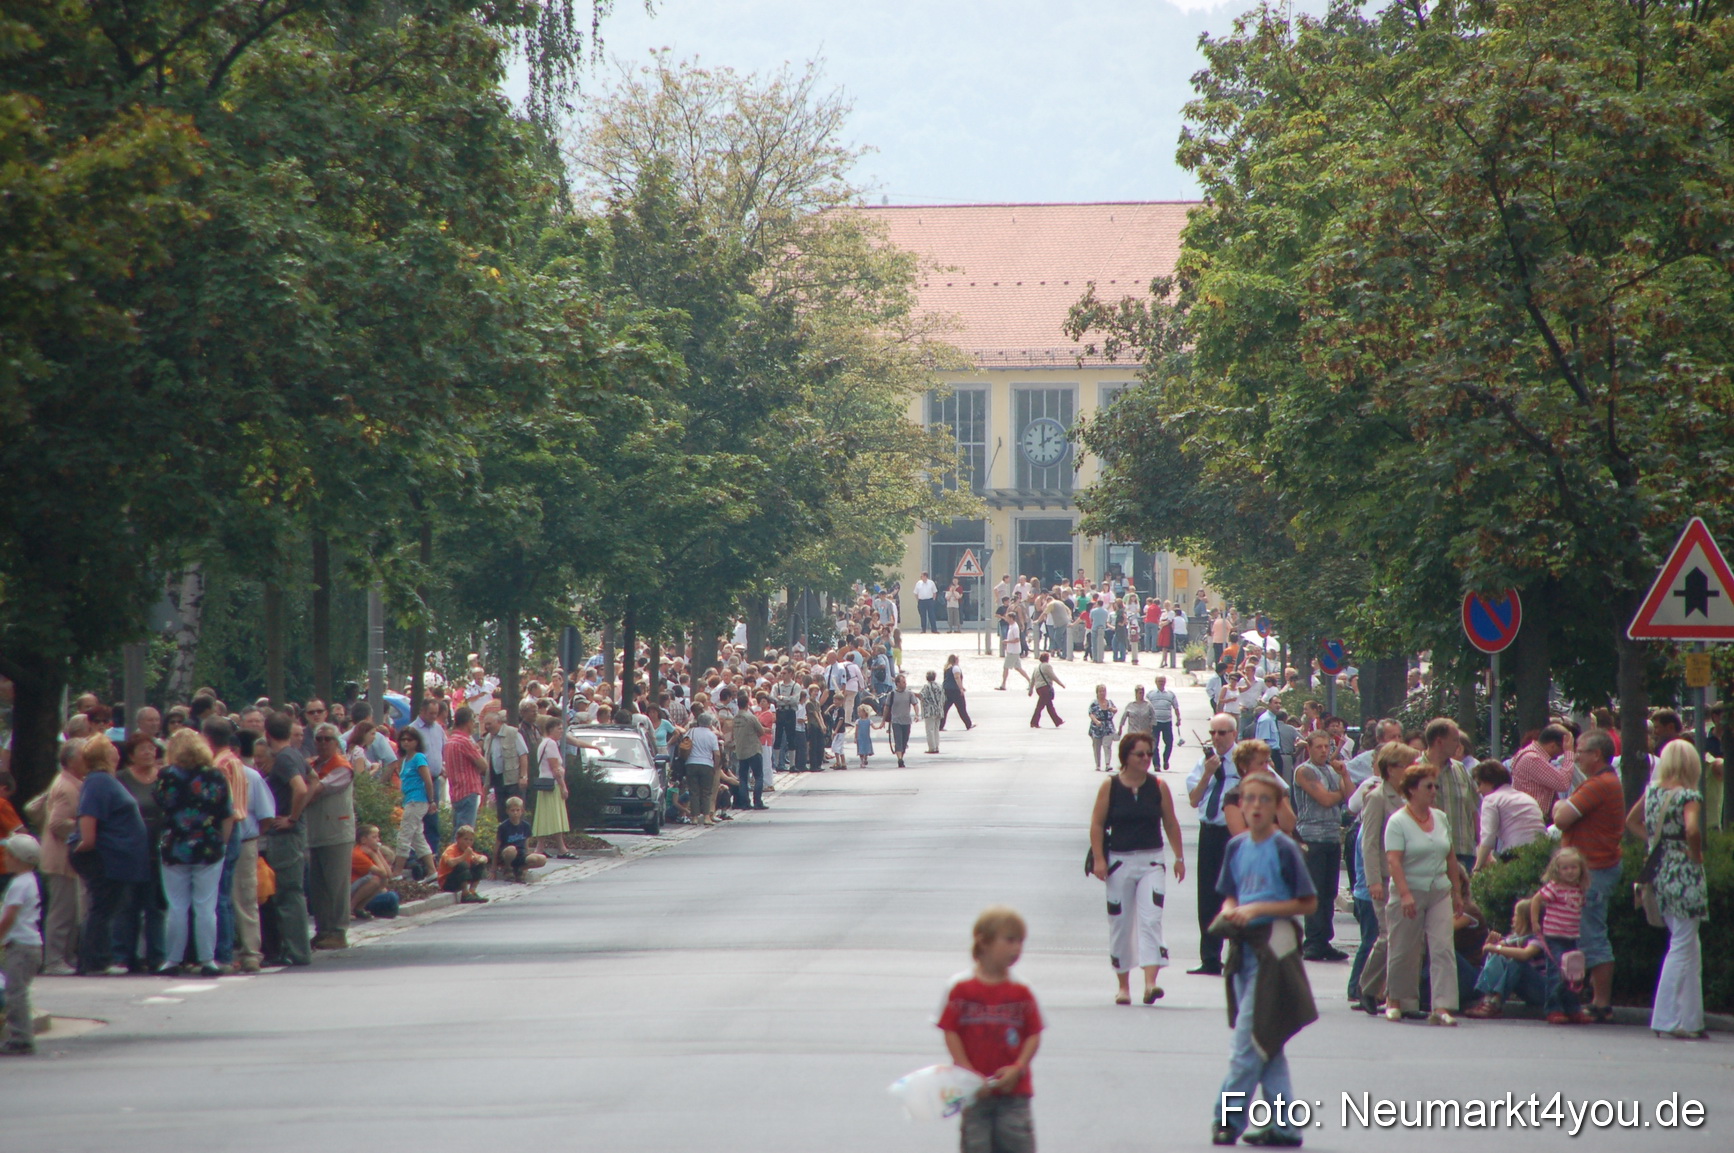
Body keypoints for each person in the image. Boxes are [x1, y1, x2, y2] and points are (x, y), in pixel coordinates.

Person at [1210, 772, 1317, 1148]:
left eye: (1264, 800)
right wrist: (1230, 912)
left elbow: (1308, 902)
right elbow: (1230, 894)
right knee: (1267, 1041)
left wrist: (1258, 909)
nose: (1255, 806)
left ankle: (1227, 1118)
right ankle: (1285, 1127)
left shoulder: (1284, 848)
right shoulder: (1236, 847)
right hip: (1242, 946)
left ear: (1275, 808)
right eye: (1249, 799)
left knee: (1249, 1040)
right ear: (1241, 804)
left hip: (1275, 946)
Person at [1090, 733, 1185, 1005]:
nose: (1145, 759)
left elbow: (1170, 822)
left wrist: (1179, 856)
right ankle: (1123, 985)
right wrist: (1099, 858)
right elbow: (1097, 824)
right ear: (1126, 757)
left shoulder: (1158, 785)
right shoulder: (1110, 786)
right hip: (1119, 861)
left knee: (1151, 918)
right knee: (1120, 922)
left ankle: (1150, 982)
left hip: (1151, 861)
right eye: (1139, 754)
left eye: (1148, 753)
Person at [939, 906, 1042, 1153]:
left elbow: (1034, 1033)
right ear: (983, 942)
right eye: (1009, 940)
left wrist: (1018, 1068)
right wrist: (965, 1069)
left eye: (1020, 941)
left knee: (1017, 1143)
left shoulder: (1022, 991)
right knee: (976, 1145)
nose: (1017, 948)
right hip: (975, 1094)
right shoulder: (961, 989)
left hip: (1014, 1092)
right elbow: (950, 1030)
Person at [1627, 740, 1708, 1039]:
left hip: (1659, 869)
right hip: (1684, 873)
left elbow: (1631, 821)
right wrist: (1695, 853)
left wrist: (1655, 840)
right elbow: (1692, 830)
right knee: (1683, 944)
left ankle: (1691, 1018)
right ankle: (1666, 1018)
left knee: (1688, 944)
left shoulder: (1652, 792)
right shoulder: (1689, 795)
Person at [1383, 763, 1468, 1026]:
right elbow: (1394, 861)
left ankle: (1442, 1005)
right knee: (1404, 948)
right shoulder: (1398, 821)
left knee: (1443, 947)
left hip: (1438, 890)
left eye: (1435, 786)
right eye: (1428, 786)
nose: (1434, 791)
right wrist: (1405, 894)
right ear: (1411, 790)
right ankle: (1395, 1000)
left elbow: (1450, 856)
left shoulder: (1440, 817)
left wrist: (1457, 891)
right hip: (1409, 891)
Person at [1550, 728, 1624, 1022]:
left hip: (1593, 871)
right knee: (1586, 935)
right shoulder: (1603, 782)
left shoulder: (1598, 785)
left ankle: (1601, 1002)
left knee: (1592, 936)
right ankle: (1591, 997)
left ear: (1596, 755)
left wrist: (1559, 806)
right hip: (1594, 868)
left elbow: (1560, 818)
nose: (1576, 755)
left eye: (1580, 751)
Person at [155, 729, 233, 976]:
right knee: (205, 905)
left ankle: (173, 959)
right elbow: (227, 813)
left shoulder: (167, 776)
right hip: (208, 844)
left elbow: (161, 804)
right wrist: (223, 841)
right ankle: (207, 959)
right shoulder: (215, 776)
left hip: (175, 844)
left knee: (176, 905)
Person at [1351, 742, 1419, 1013]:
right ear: (1391, 769)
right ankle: (1367, 987)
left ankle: (1394, 994)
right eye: (1406, 765)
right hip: (1384, 875)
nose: (1411, 769)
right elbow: (1368, 842)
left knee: (1404, 938)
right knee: (1387, 935)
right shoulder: (1378, 797)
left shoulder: (1409, 796)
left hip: (1408, 875)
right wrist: (1373, 881)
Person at [72, 734, 149, 976]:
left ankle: (97, 958)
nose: (117, 753)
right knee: (101, 908)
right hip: (106, 857)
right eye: (111, 750)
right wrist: (87, 842)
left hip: (117, 857)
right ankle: (94, 960)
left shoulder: (104, 780)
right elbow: (89, 815)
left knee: (105, 908)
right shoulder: (98, 781)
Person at [1185, 715, 1242, 976]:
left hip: (1235, 835)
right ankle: (1209, 957)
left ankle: (1239, 955)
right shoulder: (1203, 763)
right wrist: (1208, 772)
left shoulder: (1244, 761)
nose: (1217, 738)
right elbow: (1194, 799)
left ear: (1233, 733)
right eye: (1213, 733)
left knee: (1236, 894)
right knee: (1208, 896)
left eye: (1222, 733)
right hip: (1210, 833)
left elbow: (1276, 786)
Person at [1292, 731, 1348, 961]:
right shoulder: (1305, 771)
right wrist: (1341, 793)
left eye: (1327, 746)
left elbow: (1350, 796)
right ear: (1310, 748)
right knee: (1314, 890)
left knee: (1329, 892)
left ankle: (1325, 939)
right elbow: (1324, 799)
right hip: (1312, 837)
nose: (1324, 751)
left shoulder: (1331, 771)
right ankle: (1313, 941)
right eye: (1319, 747)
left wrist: (1343, 781)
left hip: (1332, 837)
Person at [305, 723, 355, 951]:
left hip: (337, 833)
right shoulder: (315, 765)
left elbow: (316, 790)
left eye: (328, 739)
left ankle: (338, 931)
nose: (323, 743)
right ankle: (323, 930)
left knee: (336, 886)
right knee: (319, 887)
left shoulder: (342, 767)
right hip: (317, 833)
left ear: (337, 742)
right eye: (319, 739)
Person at [1530, 846, 1591, 1024]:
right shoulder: (1554, 887)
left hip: (1572, 937)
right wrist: (1535, 922)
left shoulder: (1579, 889)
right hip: (1554, 937)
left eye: (1574, 867)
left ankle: (1572, 1008)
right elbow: (1536, 899)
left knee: (1573, 974)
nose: (1570, 872)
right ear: (1557, 870)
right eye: (1565, 868)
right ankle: (1553, 1008)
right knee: (1557, 973)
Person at [1466, 897, 1547, 1018]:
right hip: (1526, 990)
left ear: (1526, 919)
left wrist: (1496, 948)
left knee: (1518, 961)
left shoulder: (1539, 938)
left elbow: (1525, 954)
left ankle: (1495, 1003)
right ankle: (1488, 999)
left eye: (1516, 915)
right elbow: (1497, 949)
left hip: (1542, 991)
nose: (1513, 919)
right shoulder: (1516, 938)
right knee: (1499, 956)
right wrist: (1492, 944)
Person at [0, 833, 43, 1055]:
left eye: (8, 855)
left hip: (20, 946)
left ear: (19, 858)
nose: (5, 858)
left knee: (15, 993)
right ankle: (19, 1035)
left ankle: (21, 1039)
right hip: (30, 945)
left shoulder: (18, 884)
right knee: (18, 990)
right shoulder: (30, 880)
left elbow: (9, 916)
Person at [1471, 760, 1544, 871]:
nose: (1478, 790)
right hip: (1541, 852)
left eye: (1479, 784)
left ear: (1489, 782)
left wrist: (1477, 867)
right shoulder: (1527, 798)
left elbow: (1488, 838)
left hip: (1515, 854)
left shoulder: (1491, 799)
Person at [393, 726, 438, 881]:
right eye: (403, 740)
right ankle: (432, 871)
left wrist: (431, 800)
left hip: (417, 800)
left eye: (409, 740)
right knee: (418, 837)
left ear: (417, 742)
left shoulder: (419, 757)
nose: (406, 743)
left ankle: (397, 872)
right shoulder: (405, 760)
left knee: (404, 835)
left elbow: (428, 781)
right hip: (409, 800)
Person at [531, 716, 574, 849]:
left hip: (544, 784)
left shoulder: (544, 742)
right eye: (559, 729)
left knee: (545, 817)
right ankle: (559, 849)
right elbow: (555, 768)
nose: (561, 731)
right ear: (550, 729)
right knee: (554, 817)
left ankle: (542, 847)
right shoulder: (551, 744)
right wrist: (563, 787)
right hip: (552, 785)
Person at [443, 706, 487, 834]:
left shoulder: (450, 741)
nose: (474, 725)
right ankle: (460, 854)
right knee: (466, 832)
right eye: (473, 722)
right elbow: (484, 765)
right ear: (468, 722)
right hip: (468, 789)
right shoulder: (464, 741)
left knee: (458, 829)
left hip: (456, 790)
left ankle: (452, 853)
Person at [349, 825, 398, 920]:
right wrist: (374, 854)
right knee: (376, 880)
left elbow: (388, 875)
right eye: (374, 837)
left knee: (383, 881)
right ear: (363, 840)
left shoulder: (369, 851)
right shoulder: (358, 854)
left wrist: (377, 852)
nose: (378, 840)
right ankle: (349, 908)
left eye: (378, 837)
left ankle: (359, 908)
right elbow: (383, 873)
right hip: (349, 888)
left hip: (358, 886)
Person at [495, 796, 545, 882]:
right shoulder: (503, 827)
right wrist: (493, 869)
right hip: (507, 854)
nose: (515, 813)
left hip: (521, 854)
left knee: (541, 859)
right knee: (511, 849)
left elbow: (526, 845)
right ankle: (508, 869)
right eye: (512, 810)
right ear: (507, 811)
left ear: (521, 811)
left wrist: (527, 858)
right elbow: (496, 847)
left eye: (517, 810)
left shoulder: (526, 826)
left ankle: (520, 869)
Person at [437, 825, 490, 903]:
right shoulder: (451, 849)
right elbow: (450, 863)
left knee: (479, 864)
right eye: (465, 839)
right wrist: (464, 856)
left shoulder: (468, 850)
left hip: (459, 879)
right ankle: (465, 895)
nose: (468, 842)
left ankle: (472, 891)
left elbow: (484, 858)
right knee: (463, 864)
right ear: (458, 839)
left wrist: (479, 860)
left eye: (471, 840)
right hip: (447, 881)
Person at [731, 700, 767, 807]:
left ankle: (745, 802)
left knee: (742, 777)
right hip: (753, 749)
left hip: (741, 750)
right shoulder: (751, 717)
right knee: (758, 776)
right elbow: (761, 731)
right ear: (747, 704)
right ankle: (757, 802)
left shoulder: (735, 718)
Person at [885, 673, 918, 769]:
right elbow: (886, 708)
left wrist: (916, 715)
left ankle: (901, 755)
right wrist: (884, 720)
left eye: (905, 682)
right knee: (898, 740)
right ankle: (900, 759)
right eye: (903, 682)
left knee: (904, 741)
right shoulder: (892, 694)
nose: (905, 684)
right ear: (897, 683)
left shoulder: (909, 693)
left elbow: (915, 704)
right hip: (896, 721)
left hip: (907, 721)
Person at [1147, 676, 1181, 771]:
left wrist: (1178, 718)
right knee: (1154, 744)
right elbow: (1146, 707)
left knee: (1169, 742)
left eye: (1163, 681)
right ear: (1155, 682)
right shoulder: (1150, 694)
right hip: (1155, 723)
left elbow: (1176, 707)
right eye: (1159, 681)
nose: (1161, 683)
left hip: (1167, 722)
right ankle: (1156, 764)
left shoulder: (1170, 694)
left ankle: (1166, 760)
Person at [1027, 654, 1064, 728]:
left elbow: (1032, 680)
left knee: (1049, 706)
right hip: (1045, 688)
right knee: (1040, 706)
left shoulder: (1036, 668)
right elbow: (1053, 676)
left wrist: (1030, 690)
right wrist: (1061, 684)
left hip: (1039, 688)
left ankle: (1057, 721)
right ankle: (1034, 722)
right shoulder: (1047, 666)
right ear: (1047, 659)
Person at [1086, 684, 1117, 769]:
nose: (1102, 693)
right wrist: (1096, 721)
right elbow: (1090, 713)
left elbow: (1115, 710)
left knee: (1107, 746)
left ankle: (1107, 764)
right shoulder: (1094, 703)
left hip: (1108, 727)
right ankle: (1098, 765)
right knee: (1097, 747)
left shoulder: (1109, 702)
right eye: (1100, 691)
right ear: (1097, 693)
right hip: (1097, 728)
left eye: (1104, 691)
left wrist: (1113, 710)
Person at [998, 616, 1031, 691]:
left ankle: (1003, 685)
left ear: (1012, 618)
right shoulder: (1011, 626)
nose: (1006, 619)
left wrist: (1007, 642)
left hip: (1013, 652)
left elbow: (1017, 639)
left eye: (1008, 618)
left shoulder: (1015, 627)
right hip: (1013, 650)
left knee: (1006, 667)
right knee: (1018, 668)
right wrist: (1008, 642)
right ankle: (1031, 681)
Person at [942, 655, 974, 731]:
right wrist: (961, 688)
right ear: (956, 660)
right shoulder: (955, 668)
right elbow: (957, 678)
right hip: (955, 691)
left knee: (945, 708)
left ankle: (940, 725)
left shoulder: (947, 668)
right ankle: (968, 724)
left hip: (947, 690)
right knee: (961, 708)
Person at [919, 670, 945, 754]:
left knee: (930, 730)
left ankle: (932, 748)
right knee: (936, 729)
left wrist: (911, 693)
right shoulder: (940, 686)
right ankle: (936, 746)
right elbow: (944, 698)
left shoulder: (926, 687)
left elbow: (921, 696)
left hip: (929, 711)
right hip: (939, 710)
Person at [853, 703, 881, 770]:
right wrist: (855, 737)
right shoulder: (858, 721)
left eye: (860, 712)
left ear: (865, 712)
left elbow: (874, 727)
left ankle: (865, 758)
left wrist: (879, 727)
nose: (859, 713)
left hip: (866, 738)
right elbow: (856, 730)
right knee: (861, 750)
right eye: (858, 712)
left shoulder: (869, 721)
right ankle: (862, 761)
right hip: (860, 738)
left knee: (866, 749)